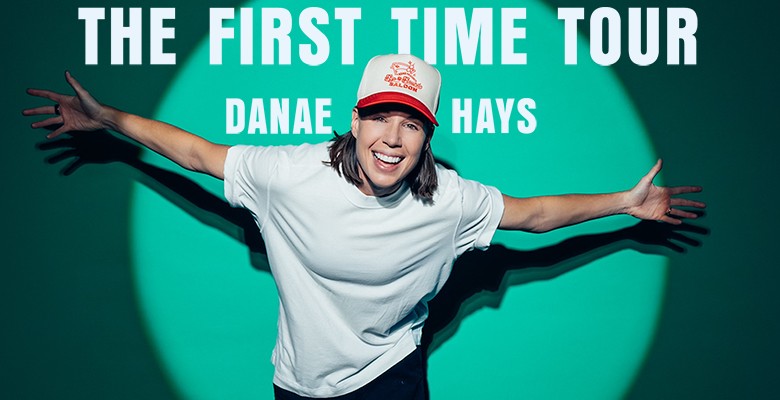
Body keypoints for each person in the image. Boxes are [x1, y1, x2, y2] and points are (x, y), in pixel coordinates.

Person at [24, 54, 705, 400]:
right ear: (355, 119)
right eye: (380, 116)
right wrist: (109, 118)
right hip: (298, 384)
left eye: (411, 123)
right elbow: (199, 154)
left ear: (427, 138)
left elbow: (532, 214)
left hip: (391, 380)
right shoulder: (293, 173)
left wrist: (624, 201)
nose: (392, 137)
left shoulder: (451, 203)